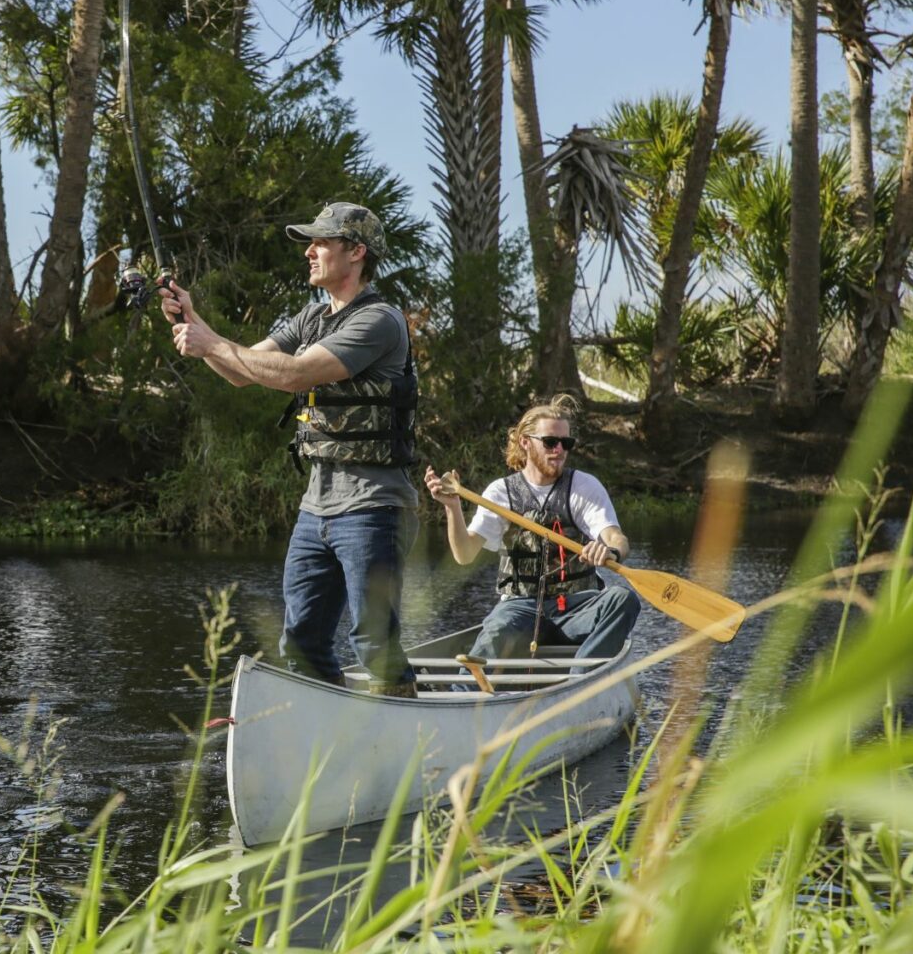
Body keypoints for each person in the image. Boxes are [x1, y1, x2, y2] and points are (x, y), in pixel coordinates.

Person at [159, 202, 421, 697]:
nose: (310, 251)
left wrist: (208, 341)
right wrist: (195, 322)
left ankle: (411, 733)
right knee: (301, 642)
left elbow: (296, 375)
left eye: (321, 242)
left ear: (357, 251)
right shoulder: (311, 317)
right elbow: (242, 372)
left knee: (372, 641)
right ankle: (330, 730)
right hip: (316, 508)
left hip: (373, 505)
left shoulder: (380, 320)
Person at [422, 395, 640, 670]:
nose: (559, 449)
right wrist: (453, 508)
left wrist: (611, 551)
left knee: (623, 599)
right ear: (525, 442)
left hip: (576, 607)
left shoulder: (583, 486)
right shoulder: (501, 493)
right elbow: (464, 555)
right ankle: (463, 693)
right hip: (520, 608)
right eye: (550, 442)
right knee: (496, 629)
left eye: (566, 443)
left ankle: (579, 679)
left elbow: (615, 537)